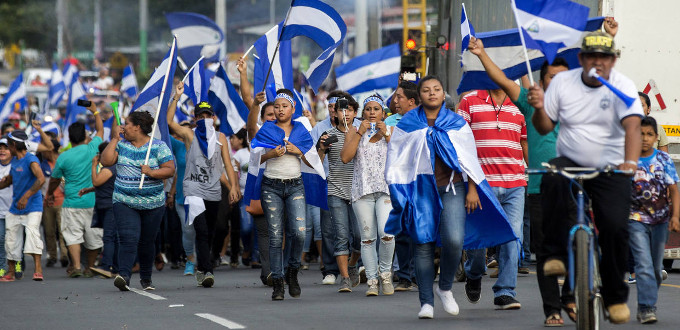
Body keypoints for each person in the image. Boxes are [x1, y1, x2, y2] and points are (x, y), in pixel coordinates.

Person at [528, 30, 643, 323]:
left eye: (604, 57)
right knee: (551, 177)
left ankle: (615, 298)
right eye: (591, 56)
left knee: (616, 227)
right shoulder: (563, 83)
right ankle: (556, 255)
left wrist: (630, 162)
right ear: (581, 59)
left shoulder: (622, 85)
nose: (597, 62)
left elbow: (632, 127)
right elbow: (543, 128)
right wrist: (539, 108)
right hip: (571, 160)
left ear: (613, 61)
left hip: (611, 166)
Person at [385, 75, 516, 319]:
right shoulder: (408, 124)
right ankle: (426, 302)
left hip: (454, 189)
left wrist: (474, 189)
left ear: (443, 93)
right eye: (426, 90)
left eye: (437, 89)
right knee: (422, 244)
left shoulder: (456, 122)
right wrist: (400, 194)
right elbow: (396, 161)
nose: (432, 93)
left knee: (455, 240)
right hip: (421, 191)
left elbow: (469, 158)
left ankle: (444, 287)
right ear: (420, 96)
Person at [467, 35, 572, 325]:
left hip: (546, 184)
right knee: (487, 243)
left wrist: (608, 38)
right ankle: (477, 274)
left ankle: (512, 291)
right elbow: (500, 77)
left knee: (522, 238)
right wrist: (480, 53)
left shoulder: (571, 104)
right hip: (510, 185)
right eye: (552, 77)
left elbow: (530, 143)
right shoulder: (511, 102)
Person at [457, 84, 528, 310]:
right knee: (478, 241)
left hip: (515, 183)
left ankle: (506, 291)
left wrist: (536, 172)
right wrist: (470, 186)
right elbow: (461, 145)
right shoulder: (469, 100)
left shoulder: (520, 103)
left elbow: (525, 142)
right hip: (480, 184)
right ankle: (474, 273)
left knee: (513, 237)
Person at [167, 84, 241, 288]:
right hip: (193, 190)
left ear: (213, 118)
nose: (204, 119)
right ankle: (206, 270)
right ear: (195, 118)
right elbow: (168, 122)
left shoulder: (221, 138)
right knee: (200, 230)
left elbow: (227, 163)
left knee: (215, 228)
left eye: (208, 115)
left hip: (214, 190)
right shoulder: (189, 134)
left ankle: (204, 262)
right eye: (201, 116)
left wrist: (234, 187)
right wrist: (176, 96)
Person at [250, 89, 319, 300]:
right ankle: (278, 283)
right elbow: (254, 150)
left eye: (284, 106)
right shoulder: (267, 129)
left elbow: (312, 161)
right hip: (271, 186)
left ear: (293, 109)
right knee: (275, 236)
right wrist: (270, 154)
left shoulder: (301, 130)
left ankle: (293, 270)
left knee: (299, 232)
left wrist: (298, 151)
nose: (280, 110)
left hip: (295, 186)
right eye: (277, 107)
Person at [100, 111, 175, 291]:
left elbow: (170, 169)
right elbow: (106, 160)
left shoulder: (159, 146)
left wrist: (151, 172)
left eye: (126, 123)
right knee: (128, 238)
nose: (123, 126)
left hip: (153, 203)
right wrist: (114, 139)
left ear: (137, 127)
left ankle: (146, 278)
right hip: (124, 200)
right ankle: (124, 275)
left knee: (147, 241)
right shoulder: (122, 145)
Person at [340, 95, 394, 296]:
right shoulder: (353, 131)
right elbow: (345, 157)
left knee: (386, 233)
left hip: (385, 190)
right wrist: (359, 133)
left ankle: (386, 274)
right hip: (362, 192)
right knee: (368, 238)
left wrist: (387, 134)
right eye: (368, 109)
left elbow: (400, 155)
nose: (372, 112)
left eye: (376, 109)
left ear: (383, 113)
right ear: (363, 114)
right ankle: (372, 280)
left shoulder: (391, 131)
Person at [628, 116, 680, 324]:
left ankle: (647, 301)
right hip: (635, 219)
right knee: (642, 263)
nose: (645, 139)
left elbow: (674, 190)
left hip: (660, 220)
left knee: (656, 269)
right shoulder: (628, 159)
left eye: (649, 135)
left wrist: (675, 216)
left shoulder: (663, 159)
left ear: (656, 137)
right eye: (640, 134)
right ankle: (646, 307)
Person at [47, 102, 104, 278]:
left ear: (69, 139)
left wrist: (50, 193)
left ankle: (77, 266)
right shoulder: (92, 148)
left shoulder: (64, 156)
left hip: (71, 202)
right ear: (86, 136)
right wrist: (94, 110)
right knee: (94, 237)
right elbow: (101, 131)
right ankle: (89, 267)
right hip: (93, 202)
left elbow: (55, 179)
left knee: (73, 237)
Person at [318, 94, 363, 292]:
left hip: (358, 191)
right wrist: (321, 148)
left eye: (349, 110)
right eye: (341, 110)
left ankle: (353, 263)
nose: (345, 113)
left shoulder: (361, 133)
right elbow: (317, 165)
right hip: (335, 189)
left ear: (355, 113)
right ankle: (344, 277)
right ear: (334, 113)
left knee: (361, 236)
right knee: (341, 235)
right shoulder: (329, 134)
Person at [387, 81, 420, 292]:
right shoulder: (397, 123)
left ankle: (419, 275)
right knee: (403, 229)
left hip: (423, 183)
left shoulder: (426, 121)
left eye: (399, 97)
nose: (395, 101)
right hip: (401, 183)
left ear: (411, 101)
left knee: (422, 228)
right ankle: (405, 277)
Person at [0, 131, 46, 282]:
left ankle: (38, 270)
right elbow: (11, 180)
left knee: (33, 234)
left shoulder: (31, 159)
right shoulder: (14, 160)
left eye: (8, 144)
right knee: (11, 238)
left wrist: (26, 196)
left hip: (33, 205)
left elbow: (40, 179)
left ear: (13, 145)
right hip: (16, 206)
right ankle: (11, 272)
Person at [81, 142, 118, 278]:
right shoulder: (111, 168)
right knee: (113, 237)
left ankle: (106, 266)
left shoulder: (109, 169)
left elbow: (97, 181)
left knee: (109, 237)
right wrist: (89, 189)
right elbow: (102, 185)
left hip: (110, 206)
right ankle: (115, 267)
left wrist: (93, 165)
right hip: (106, 205)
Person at [37, 133, 69, 269]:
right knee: (49, 232)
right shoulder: (41, 165)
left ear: (51, 150)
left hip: (62, 201)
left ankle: (64, 255)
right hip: (47, 203)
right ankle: (52, 256)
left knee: (63, 231)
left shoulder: (63, 162)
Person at [230, 128, 255, 267]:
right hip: (244, 196)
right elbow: (233, 170)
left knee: (259, 229)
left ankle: (255, 255)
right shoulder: (240, 154)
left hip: (259, 195)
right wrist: (235, 187)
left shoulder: (263, 151)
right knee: (246, 228)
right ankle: (246, 248)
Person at [0, 137, 12, 278]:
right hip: (0, 211)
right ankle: (2, 267)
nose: (2, 151)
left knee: (16, 241)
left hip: (15, 210)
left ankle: (17, 264)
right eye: (0, 148)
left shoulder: (15, 166)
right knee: (1, 239)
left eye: (5, 148)